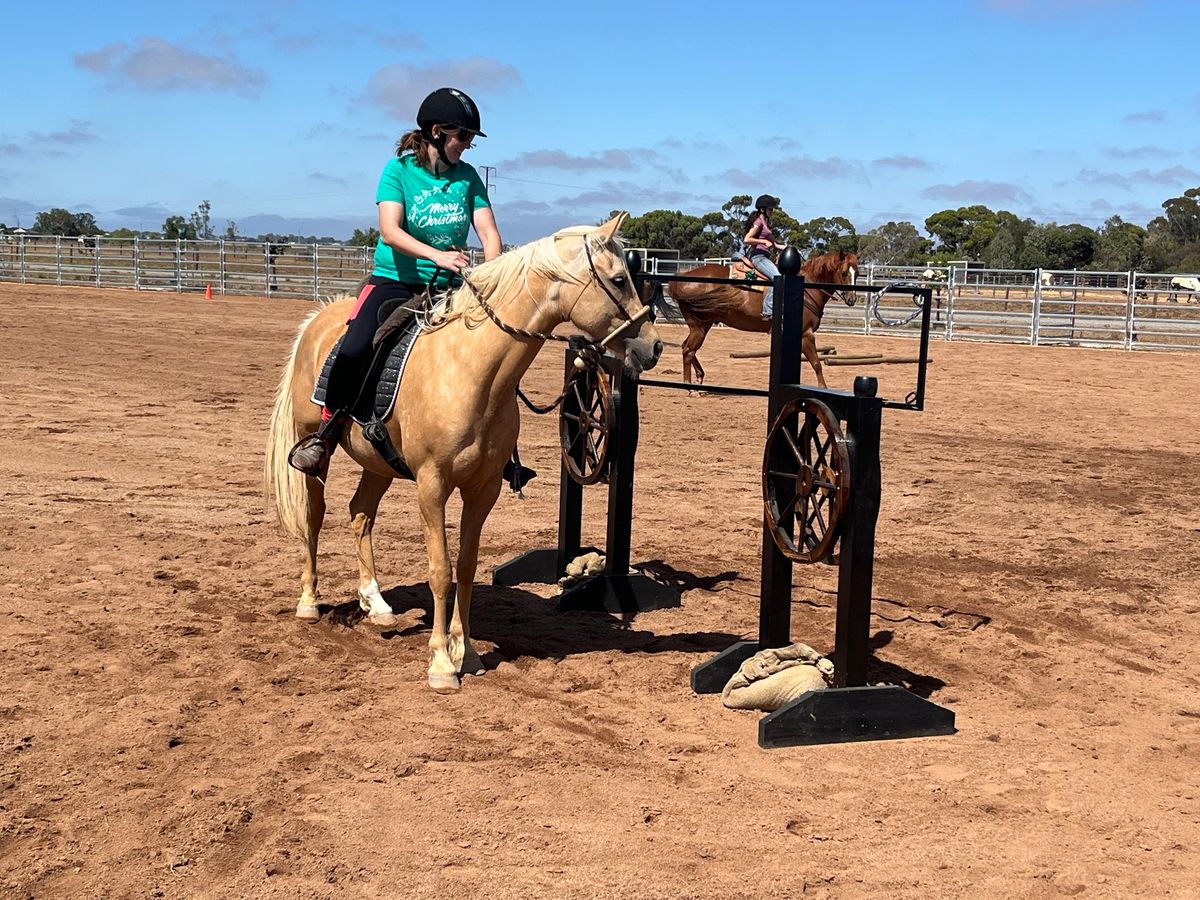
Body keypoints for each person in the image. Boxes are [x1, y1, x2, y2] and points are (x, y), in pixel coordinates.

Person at [289, 87, 502, 476]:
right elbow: (389, 231)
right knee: (354, 348)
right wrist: (438, 255)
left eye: (471, 139)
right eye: (463, 137)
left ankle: (499, 451)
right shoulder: (398, 172)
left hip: (450, 287)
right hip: (396, 281)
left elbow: (488, 233)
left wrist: (492, 277)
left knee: (490, 355)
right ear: (437, 131)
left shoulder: (468, 177)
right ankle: (327, 431)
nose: (468, 146)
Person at [742, 194, 787, 319]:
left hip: (764, 257)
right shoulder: (758, 222)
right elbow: (747, 239)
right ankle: (768, 310)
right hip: (758, 257)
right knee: (777, 278)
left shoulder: (766, 224)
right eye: (770, 209)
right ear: (762, 209)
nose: (772, 211)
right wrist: (762, 242)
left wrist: (788, 248)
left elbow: (776, 245)